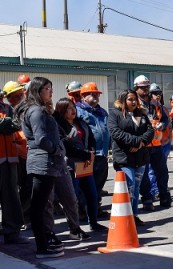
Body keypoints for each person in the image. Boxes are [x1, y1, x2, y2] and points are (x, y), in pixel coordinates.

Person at [14, 77, 65, 258]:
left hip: (44, 162)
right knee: (38, 206)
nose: (50, 92)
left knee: (39, 206)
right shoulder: (36, 111)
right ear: (37, 90)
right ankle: (42, 248)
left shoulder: (37, 110)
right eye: (46, 88)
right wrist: (57, 149)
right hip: (43, 162)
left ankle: (43, 245)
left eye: (51, 88)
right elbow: (41, 139)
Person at [54, 98, 106, 234]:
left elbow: (91, 139)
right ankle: (74, 227)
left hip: (85, 165)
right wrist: (86, 154)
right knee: (73, 198)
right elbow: (66, 147)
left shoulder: (81, 122)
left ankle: (93, 223)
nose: (73, 110)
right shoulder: (58, 126)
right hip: (70, 165)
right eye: (69, 108)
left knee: (92, 195)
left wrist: (91, 152)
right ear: (62, 110)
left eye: (73, 108)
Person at [107, 89, 154, 226]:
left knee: (137, 187)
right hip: (124, 157)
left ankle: (134, 215)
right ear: (123, 100)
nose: (133, 102)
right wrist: (135, 141)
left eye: (135, 99)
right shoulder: (114, 114)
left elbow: (150, 131)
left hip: (140, 157)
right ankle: (125, 217)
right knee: (129, 186)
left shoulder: (142, 113)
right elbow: (116, 133)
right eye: (130, 99)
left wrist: (140, 143)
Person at [133, 76, 173, 211]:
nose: (145, 90)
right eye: (142, 87)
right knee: (144, 174)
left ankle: (164, 197)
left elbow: (165, 119)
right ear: (136, 88)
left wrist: (162, 125)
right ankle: (147, 199)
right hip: (143, 145)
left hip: (156, 143)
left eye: (147, 87)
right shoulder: (134, 104)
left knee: (162, 172)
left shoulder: (156, 104)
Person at [0, 82, 29, 245]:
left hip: (10, 159)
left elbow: (16, 124)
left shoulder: (7, 108)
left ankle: (12, 233)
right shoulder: (9, 110)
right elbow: (7, 125)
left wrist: (9, 123)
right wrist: (9, 123)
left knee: (11, 198)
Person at [77, 82, 111, 218]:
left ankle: (95, 208)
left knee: (98, 183)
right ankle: (83, 210)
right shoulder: (78, 111)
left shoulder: (102, 111)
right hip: (86, 154)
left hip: (101, 153)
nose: (96, 96)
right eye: (93, 94)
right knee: (84, 185)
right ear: (84, 96)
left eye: (97, 94)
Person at [148, 83, 173, 199]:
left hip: (162, 142)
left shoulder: (161, 108)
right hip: (150, 144)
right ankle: (153, 191)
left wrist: (162, 125)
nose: (157, 96)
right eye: (155, 93)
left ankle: (160, 191)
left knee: (162, 170)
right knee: (151, 170)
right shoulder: (147, 107)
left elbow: (167, 121)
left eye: (159, 93)